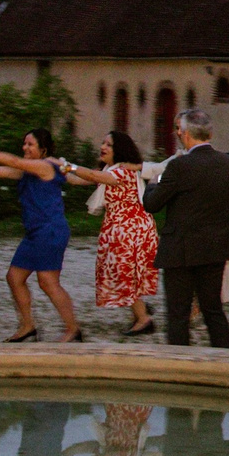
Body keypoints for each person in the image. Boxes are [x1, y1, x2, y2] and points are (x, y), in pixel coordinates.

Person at [0, 131, 83, 342]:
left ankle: (73, 329)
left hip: (50, 230)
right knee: (14, 278)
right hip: (34, 233)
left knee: (48, 281)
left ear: (43, 150)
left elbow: (12, 160)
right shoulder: (25, 171)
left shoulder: (45, 167)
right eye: (24, 143)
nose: (25, 148)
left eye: (30, 144)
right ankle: (27, 326)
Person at [141, 107, 229, 348]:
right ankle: (224, 360)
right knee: (213, 309)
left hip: (181, 249)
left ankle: (179, 363)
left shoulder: (179, 166)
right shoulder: (227, 163)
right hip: (215, 244)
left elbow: (152, 203)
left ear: (185, 134)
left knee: (178, 313)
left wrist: (155, 181)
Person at [58, 131, 158, 338]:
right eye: (103, 143)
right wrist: (55, 170)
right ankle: (141, 312)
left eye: (109, 145)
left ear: (119, 149)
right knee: (124, 274)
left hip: (130, 229)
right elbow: (80, 180)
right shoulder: (109, 170)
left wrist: (71, 166)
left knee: (124, 275)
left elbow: (92, 176)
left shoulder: (122, 171)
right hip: (121, 227)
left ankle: (144, 319)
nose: (103, 147)